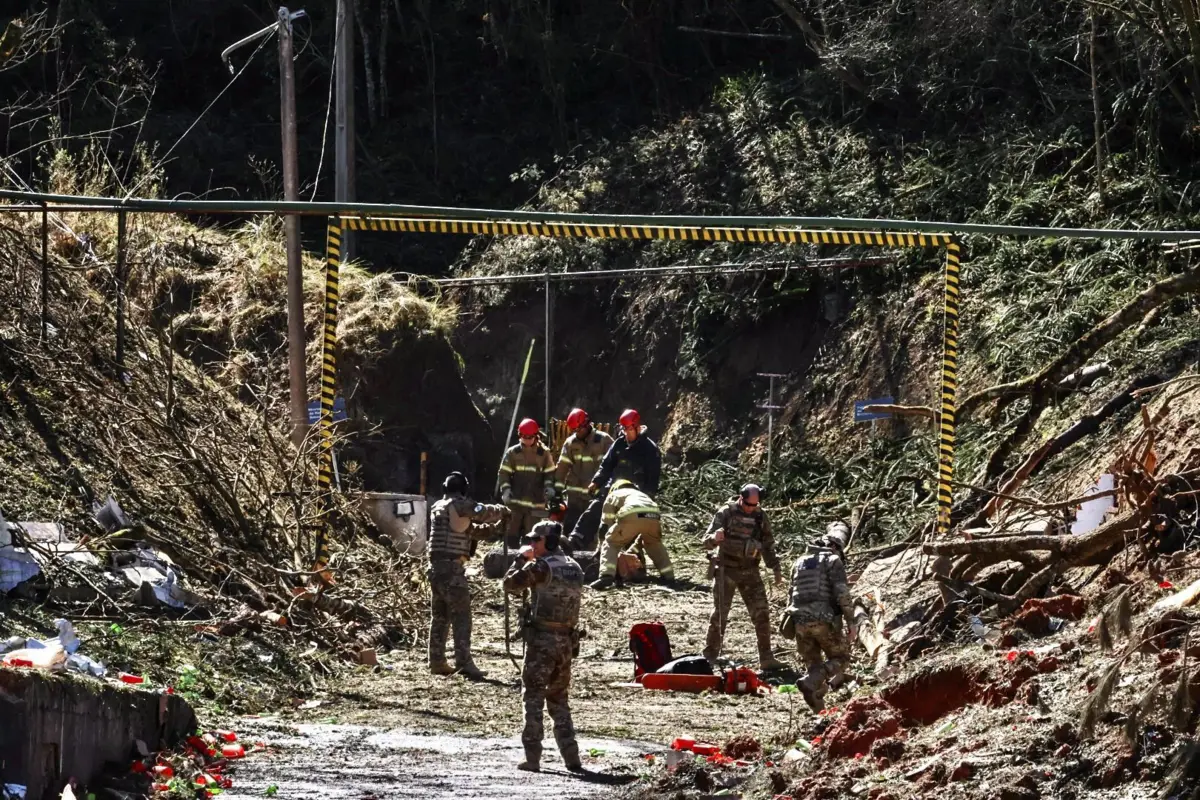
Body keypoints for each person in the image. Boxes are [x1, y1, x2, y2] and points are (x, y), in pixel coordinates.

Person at [502, 521, 585, 774]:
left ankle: (533, 757)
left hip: (543, 641)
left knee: (533, 697)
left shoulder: (540, 566)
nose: (532, 544)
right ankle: (571, 757)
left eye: (536, 540)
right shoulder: (574, 566)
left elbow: (509, 585)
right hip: (566, 642)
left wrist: (519, 559)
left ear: (548, 541)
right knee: (559, 700)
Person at [427, 471, 509, 678]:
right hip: (452, 570)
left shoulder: (440, 507)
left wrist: (497, 528)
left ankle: (436, 660)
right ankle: (464, 662)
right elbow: (481, 511)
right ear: (463, 489)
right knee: (462, 617)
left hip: (436, 569)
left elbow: (471, 531)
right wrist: (503, 510)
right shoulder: (460, 504)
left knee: (440, 616)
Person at [701, 483, 787, 671]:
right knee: (720, 614)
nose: (750, 509)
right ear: (741, 498)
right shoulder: (726, 513)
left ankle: (766, 656)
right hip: (727, 570)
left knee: (762, 612)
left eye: (754, 505)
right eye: (748, 505)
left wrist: (776, 569)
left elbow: (768, 544)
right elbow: (705, 542)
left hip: (750, 571)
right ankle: (710, 655)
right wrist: (714, 539)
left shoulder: (760, 516)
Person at [783, 521, 855, 712]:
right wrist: (852, 623)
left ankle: (818, 709)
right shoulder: (832, 561)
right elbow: (843, 595)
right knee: (842, 658)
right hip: (823, 620)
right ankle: (809, 682)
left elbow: (790, 595)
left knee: (813, 664)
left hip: (799, 621)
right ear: (833, 547)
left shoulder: (798, 562)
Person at [568, 408, 661, 551]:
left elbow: (652, 480)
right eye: (623, 429)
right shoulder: (619, 444)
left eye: (628, 429)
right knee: (595, 509)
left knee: (630, 526)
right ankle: (576, 540)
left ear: (636, 427)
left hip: (635, 495)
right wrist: (596, 482)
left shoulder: (650, 450)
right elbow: (606, 465)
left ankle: (630, 557)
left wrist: (646, 500)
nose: (625, 433)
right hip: (612, 490)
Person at [590, 478, 674, 589]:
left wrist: (600, 548)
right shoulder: (640, 494)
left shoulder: (613, 495)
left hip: (632, 512)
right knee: (654, 544)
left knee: (611, 542)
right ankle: (668, 576)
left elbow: (605, 525)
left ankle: (606, 575)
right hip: (654, 514)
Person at [498, 418, 557, 547]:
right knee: (511, 533)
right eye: (524, 437)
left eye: (530, 437)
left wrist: (549, 487)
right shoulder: (513, 453)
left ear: (536, 436)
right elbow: (504, 473)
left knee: (532, 535)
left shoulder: (544, 454)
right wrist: (506, 490)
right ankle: (508, 559)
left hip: (536, 503)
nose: (527, 440)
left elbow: (550, 473)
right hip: (516, 502)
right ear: (519, 435)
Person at [554, 408, 614, 535]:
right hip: (574, 497)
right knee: (570, 530)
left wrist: (607, 489)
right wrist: (557, 491)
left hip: (595, 496)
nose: (577, 433)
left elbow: (613, 466)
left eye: (579, 429)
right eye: (574, 430)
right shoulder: (570, 443)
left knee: (591, 532)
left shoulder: (604, 441)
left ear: (586, 424)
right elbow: (562, 468)